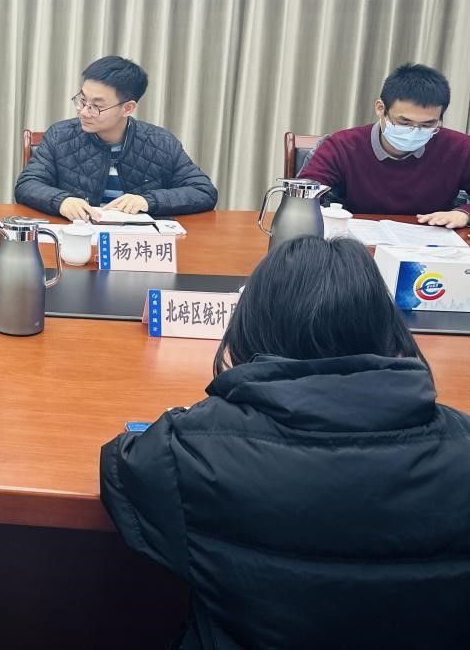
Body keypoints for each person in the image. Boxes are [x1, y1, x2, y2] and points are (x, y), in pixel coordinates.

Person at [101, 235, 470, 650]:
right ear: (386, 327)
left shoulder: (194, 450)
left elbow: (120, 465)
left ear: (251, 327)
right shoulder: (462, 445)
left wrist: (200, 418)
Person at [14, 55, 217, 219]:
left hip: (135, 244)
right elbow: (27, 184)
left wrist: (147, 201)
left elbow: (203, 191)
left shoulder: (160, 143)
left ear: (127, 108)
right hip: (78, 239)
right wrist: (61, 201)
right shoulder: (60, 136)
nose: (84, 111)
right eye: (82, 100)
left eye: (96, 106)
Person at [298, 62, 470, 227]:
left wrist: (464, 214)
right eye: (404, 122)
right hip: (357, 241)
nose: (414, 131)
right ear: (381, 108)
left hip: (433, 242)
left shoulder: (460, 148)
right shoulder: (342, 146)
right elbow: (301, 199)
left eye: (427, 125)